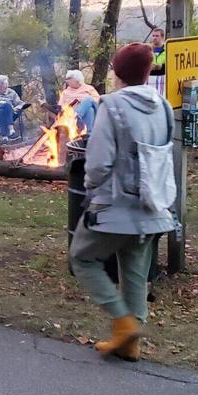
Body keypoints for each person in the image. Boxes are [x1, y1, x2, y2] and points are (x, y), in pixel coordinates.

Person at [70, 43, 176, 363]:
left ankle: (123, 323)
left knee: (82, 258)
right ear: (147, 72)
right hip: (153, 205)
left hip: (114, 207)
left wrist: (89, 187)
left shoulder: (112, 105)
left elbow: (100, 163)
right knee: (135, 271)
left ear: (117, 73)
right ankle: (131, 344)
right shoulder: (164, 106)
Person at [148, 28, 167, 96]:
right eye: (153, 36)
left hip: (163, 81)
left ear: (162, 37)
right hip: (149, 81)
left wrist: (162, 66)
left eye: (157, 36)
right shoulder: (148, 50)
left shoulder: (168, 49)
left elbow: (171, 65)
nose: (154, 38)